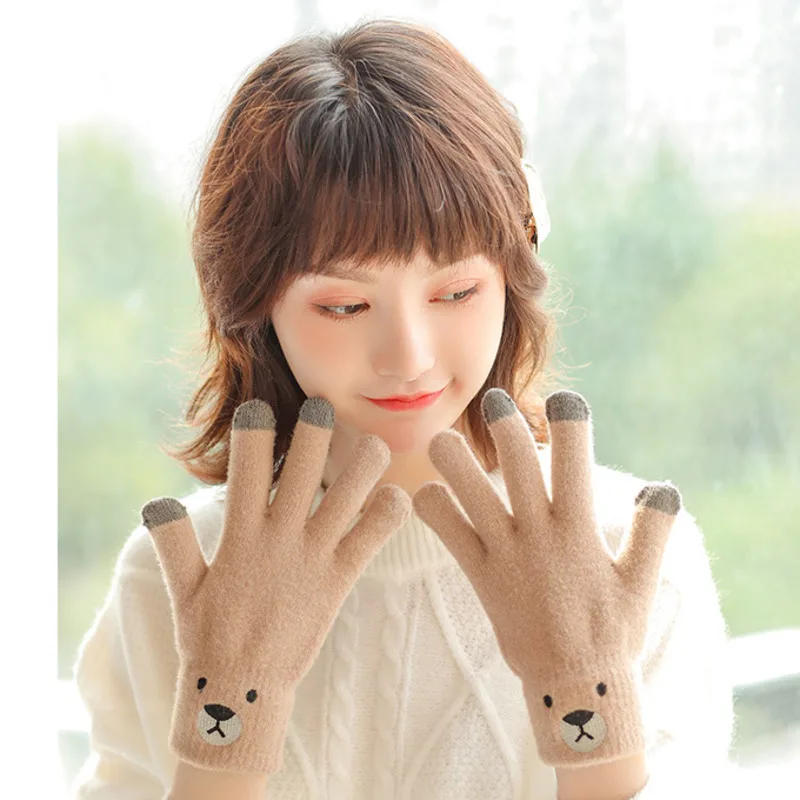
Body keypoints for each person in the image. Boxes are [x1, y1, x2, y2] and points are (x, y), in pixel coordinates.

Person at [70, 17, 738, 800]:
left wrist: (585, 697)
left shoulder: (630, 555)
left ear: (513, 272)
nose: (408, 355)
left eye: (455, 291)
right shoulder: (179, 577)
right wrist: (233, 713)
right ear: (255, 306)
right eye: (345, 306)